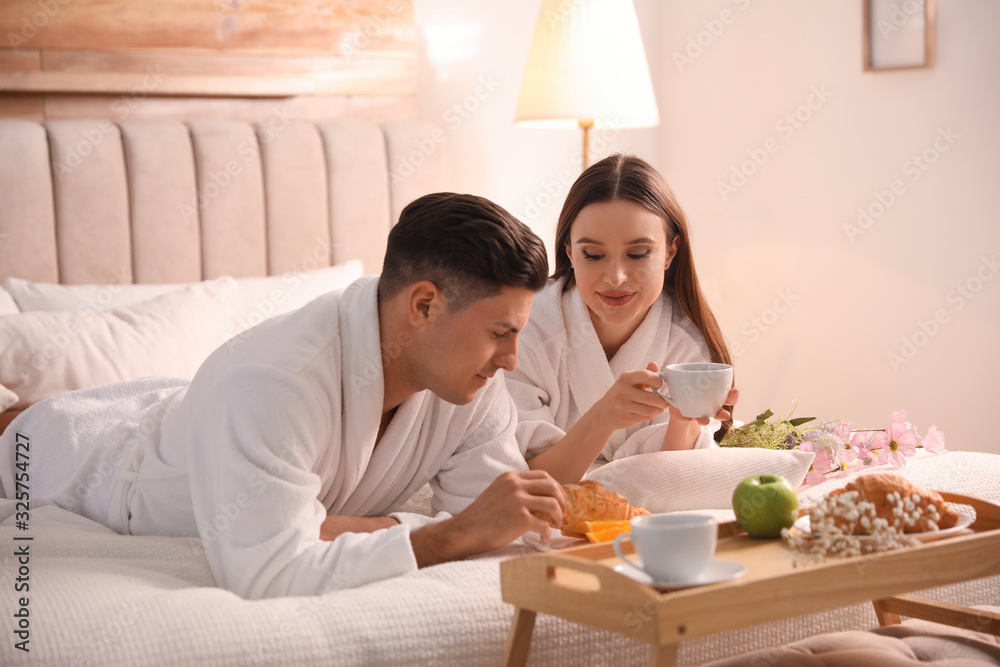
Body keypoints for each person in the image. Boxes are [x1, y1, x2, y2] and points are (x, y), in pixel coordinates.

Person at [0, 192, 566, 599]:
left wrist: (351, 527)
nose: (511, 360)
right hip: (85, 458)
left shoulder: (472, 382)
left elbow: (494, 516)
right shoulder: (274, 383)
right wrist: (442, 533)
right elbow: (270, 573)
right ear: (423, 306)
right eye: (500, 333)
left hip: (189, 414)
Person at [506, 154, 739, 484]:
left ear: (670, 253)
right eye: (594, 255)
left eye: (638, 254)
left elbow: (669, 478)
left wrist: (685, 419)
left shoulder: (684, 343)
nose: (615, 277)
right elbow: (521, 478)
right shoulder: (526, 332)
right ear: (570, 252)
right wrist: (602, 418)